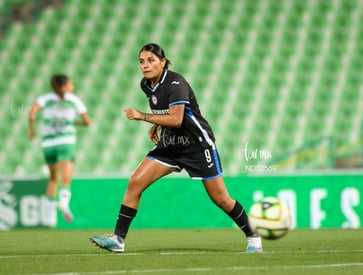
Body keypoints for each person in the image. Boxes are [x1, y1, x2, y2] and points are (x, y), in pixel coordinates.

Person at [90, 43, 262, 253]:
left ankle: (254, 236)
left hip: (197, 145)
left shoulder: (175, 82)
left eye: (151, 60)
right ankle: (118, 240)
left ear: (163, 62)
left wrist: (143, 116)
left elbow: (178, 118)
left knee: (221, 199)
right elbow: (165, 110)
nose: (145, 65)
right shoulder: (146, 84)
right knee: (135, 182)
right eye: (141, 61)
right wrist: (157, 124)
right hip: (170, 144)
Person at [28, 74, 91, 227]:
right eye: (70, 83)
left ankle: (50, 217)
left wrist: (31, 129)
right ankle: (63, 202)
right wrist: (73, 122)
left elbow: (32, 113)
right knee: (66, 178)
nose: (72, 85)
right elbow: (87, 122)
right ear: (65, 86)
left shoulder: (45, 99)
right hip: (66, 142)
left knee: (53, 178)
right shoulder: (73, 100)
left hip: (48, 143)